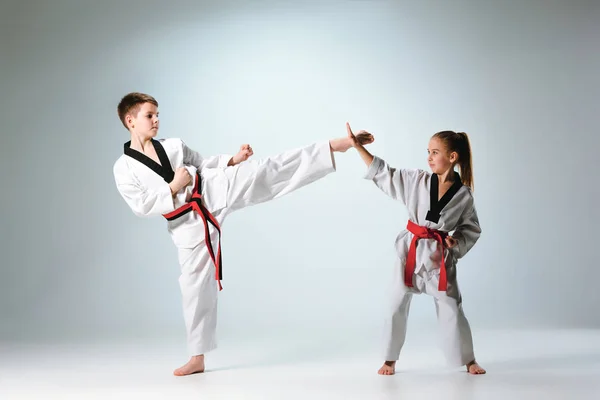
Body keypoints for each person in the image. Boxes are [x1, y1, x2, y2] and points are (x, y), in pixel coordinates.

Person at [112, 92, 374, 376]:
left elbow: (202, 163)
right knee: (193, 286)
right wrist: (173, 187)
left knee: (267, 170)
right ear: (130, 120)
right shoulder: (123, 168)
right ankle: (197, 357)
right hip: (187, 223)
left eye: (158, 114)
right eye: (149, 116)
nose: (157, 121)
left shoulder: (173, 145)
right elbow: (141, 205)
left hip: (213, 186)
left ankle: (336, 145)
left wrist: (233, 160)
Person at [345, 123, 485, 375]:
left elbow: (471, 228)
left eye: (434, 152)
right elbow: (384, 173)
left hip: (440, 259)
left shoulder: (464, 195)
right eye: (428, 152)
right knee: (395, 304)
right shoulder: (417, 180)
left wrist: (455, 243)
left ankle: (468, 359)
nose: (429, 157)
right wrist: (358, 148)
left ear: (452, 157)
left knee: (452, 306)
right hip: (409, 252)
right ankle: (389, 359)